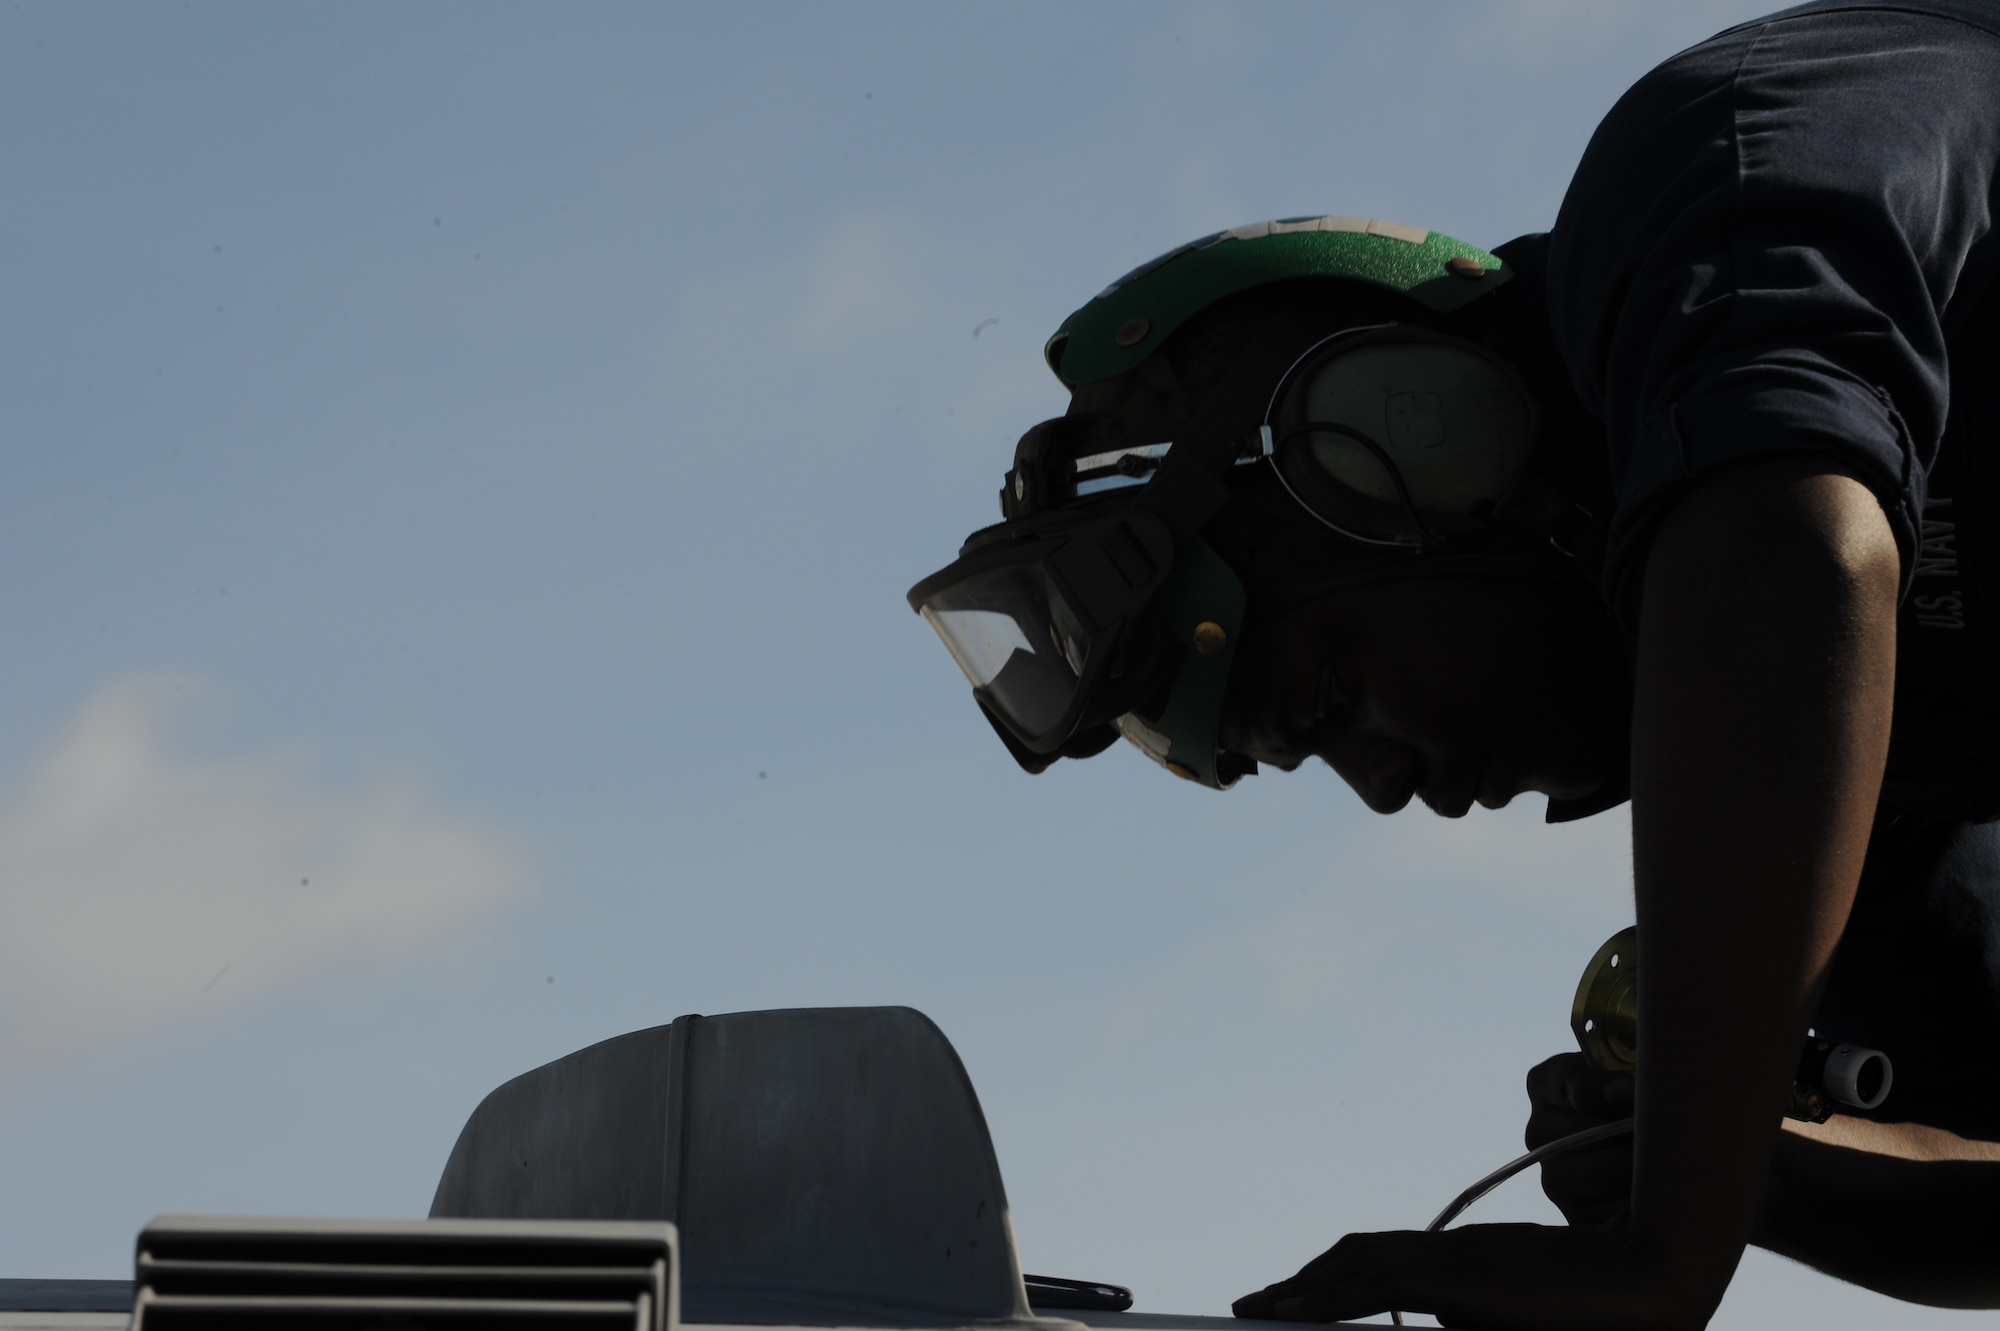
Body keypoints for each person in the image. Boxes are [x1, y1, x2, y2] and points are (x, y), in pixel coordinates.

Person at [909, 1, 2000, 1325]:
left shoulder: (1714, 178)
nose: (1375, 788)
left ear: (1418, 443)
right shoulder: (1840, 761)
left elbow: (1794, 568)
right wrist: (1743, 1178)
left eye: (1328, 694)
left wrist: (1665, 1247)